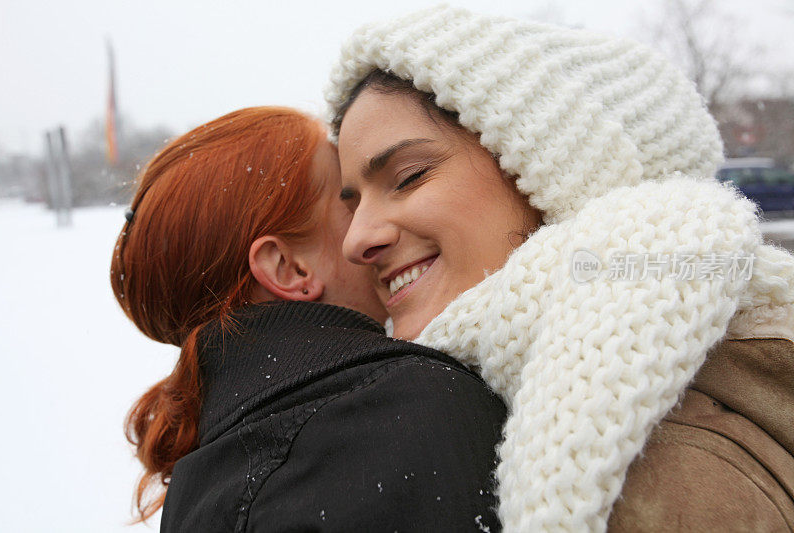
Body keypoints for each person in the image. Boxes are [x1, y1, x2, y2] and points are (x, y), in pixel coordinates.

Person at [326, 6, 794, 532]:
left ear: (551, 175)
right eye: (353, 203)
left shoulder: (658, 479)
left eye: (408, 176)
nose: (356, 240)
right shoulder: (502, 401)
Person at [111, 106, 507, 532]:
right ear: (288, 268)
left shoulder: (198, 486)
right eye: (349, 201)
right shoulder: (407, 410)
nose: (371, 228)